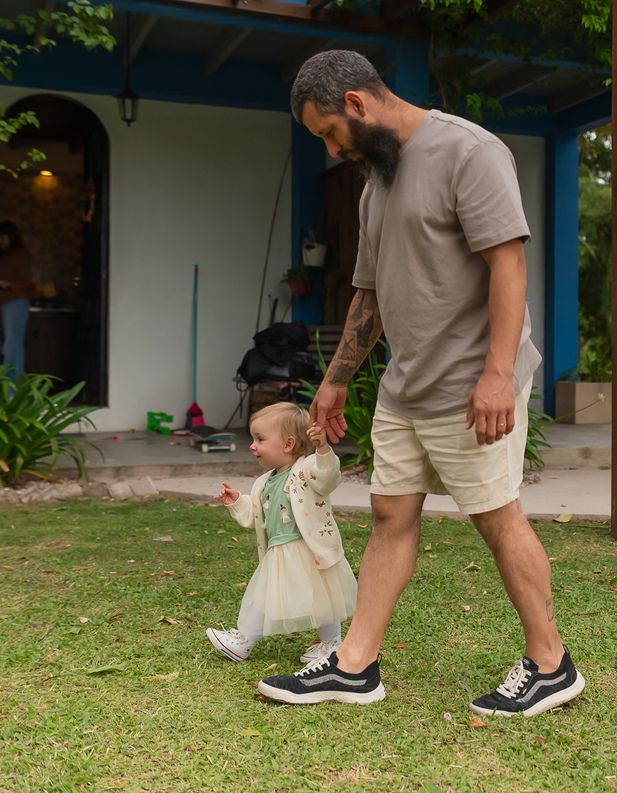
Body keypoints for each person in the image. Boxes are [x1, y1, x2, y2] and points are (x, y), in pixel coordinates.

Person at [257, 50, 585, 717]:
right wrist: (336, 380)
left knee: (497, 518)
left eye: (328, 131)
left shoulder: (470, 151)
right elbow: (370, 293)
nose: (329, 146)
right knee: (389, 515)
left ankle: (551, 663)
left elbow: (509, 264)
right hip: (405, 385)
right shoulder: (377, 178)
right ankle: (354, 666)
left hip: (470, 386)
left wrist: (497, 376)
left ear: (356, 103)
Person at [206, 402, 360, 671]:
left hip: (308, 548)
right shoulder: (263, 482)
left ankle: (331, 643)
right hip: (278, 552)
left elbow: (328, 478)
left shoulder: (307, 468)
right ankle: (244, 641)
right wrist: (236, 502)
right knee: (265, 595)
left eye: (260, 439)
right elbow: (253, 515)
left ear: (288, 444)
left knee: (323, 597)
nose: (252, 446)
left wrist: (323, 449)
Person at [0, 221, 32, 382]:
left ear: (11, 237)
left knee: (12, 345)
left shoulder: (19, 254)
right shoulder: (0, 255)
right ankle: (0, 385)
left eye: (2, 238)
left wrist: (3, 283)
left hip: (14, 302)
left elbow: (26, 282)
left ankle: (12, 387)